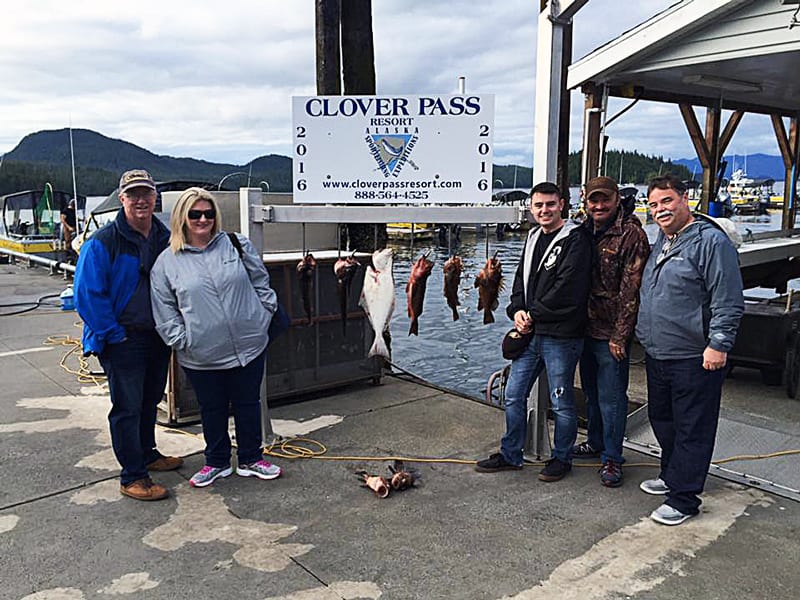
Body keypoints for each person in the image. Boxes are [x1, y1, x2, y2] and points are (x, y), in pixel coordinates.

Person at [150, 187, 282, 488]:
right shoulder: (166, 262)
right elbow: (164, 310)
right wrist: (183, 340)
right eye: (195, 214)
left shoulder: (237, 244)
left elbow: (261, 281)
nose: (203, 219)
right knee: (212, 408)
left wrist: (263, 315)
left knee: (249, 402)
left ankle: (251, 458)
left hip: (249, 344)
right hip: (201, 353)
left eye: (208, 214)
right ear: (182, 217)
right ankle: (217, 461)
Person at [636, 173, 744, 525]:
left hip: (694, 354)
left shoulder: (711, 242)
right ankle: (671, 473)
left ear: (685, 198)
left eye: (666, 201)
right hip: (659, 351)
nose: (660, 210)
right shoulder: (663, 240)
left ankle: (684, 498)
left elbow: (727, 298)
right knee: (662, 419)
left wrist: (719, 344)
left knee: (692, 425)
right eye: (653, 205)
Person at [74, 169, 183, 501]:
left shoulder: (164, 237)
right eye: (133, 195)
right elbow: (87, 296)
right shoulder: (102, 243)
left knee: (150, 400)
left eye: (146, 194)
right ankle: (132, 476)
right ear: (121, 199)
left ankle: (147, 452)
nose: (140, 200)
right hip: (123, 339)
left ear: (155, 198)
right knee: (127, 407)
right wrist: (113, 334)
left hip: (156, 336)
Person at [476, 181, 592, 481]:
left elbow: (567, 287)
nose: (544, 210)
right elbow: (520, 282)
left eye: (550, 204)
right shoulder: (531, 237)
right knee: (513, 395)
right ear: (531, 207)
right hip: (530, 335)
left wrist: (533, 314)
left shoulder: (576, 239)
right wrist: (516, 311)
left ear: (562, 204)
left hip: (561, 337)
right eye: (538, 205)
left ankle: (562, 458)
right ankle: (511, 453)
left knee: (561, 400)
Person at [574, 176, 650, 487]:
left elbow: (631, 292)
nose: (599, 206)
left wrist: (621, 336)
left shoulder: (632, 234)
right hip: (583, 329)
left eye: (605, 199)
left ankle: (612, 458)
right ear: (586, 201)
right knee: (591, 394)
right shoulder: (583, 230)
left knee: (612, 399)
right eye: (594, 200)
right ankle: (594, 442)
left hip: (611, 334)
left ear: (617, 198)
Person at [60, 198, 78, 262]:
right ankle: (67, 257)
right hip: (67, 228)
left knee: (75, 240)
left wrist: (82, 220)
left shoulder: (74, 211)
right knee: (68, 242)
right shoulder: (65, 210)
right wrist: (68, 227)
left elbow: (74, 218)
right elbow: (63, 220)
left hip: (74, 227)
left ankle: (74, 254)